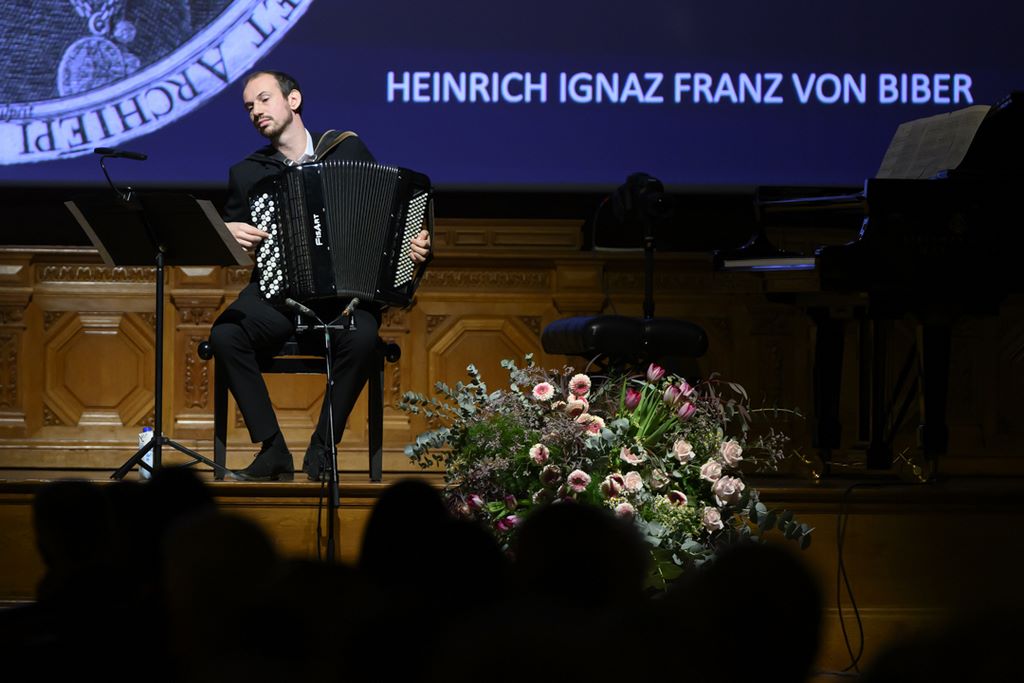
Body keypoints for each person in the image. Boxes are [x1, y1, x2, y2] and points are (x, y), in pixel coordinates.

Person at [209, 70, 430, 481]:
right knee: (226, 334)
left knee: (363, 337)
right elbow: (233, 246)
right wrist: (230, 233)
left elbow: (386, 216)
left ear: (293, 101)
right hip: (279, 295)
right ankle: (273, 449)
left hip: (343, 297)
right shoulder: (247, 173)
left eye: (263, 99)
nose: (256, 111)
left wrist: (413, 247)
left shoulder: (348, 149)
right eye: (249, 107)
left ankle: (323, 447)